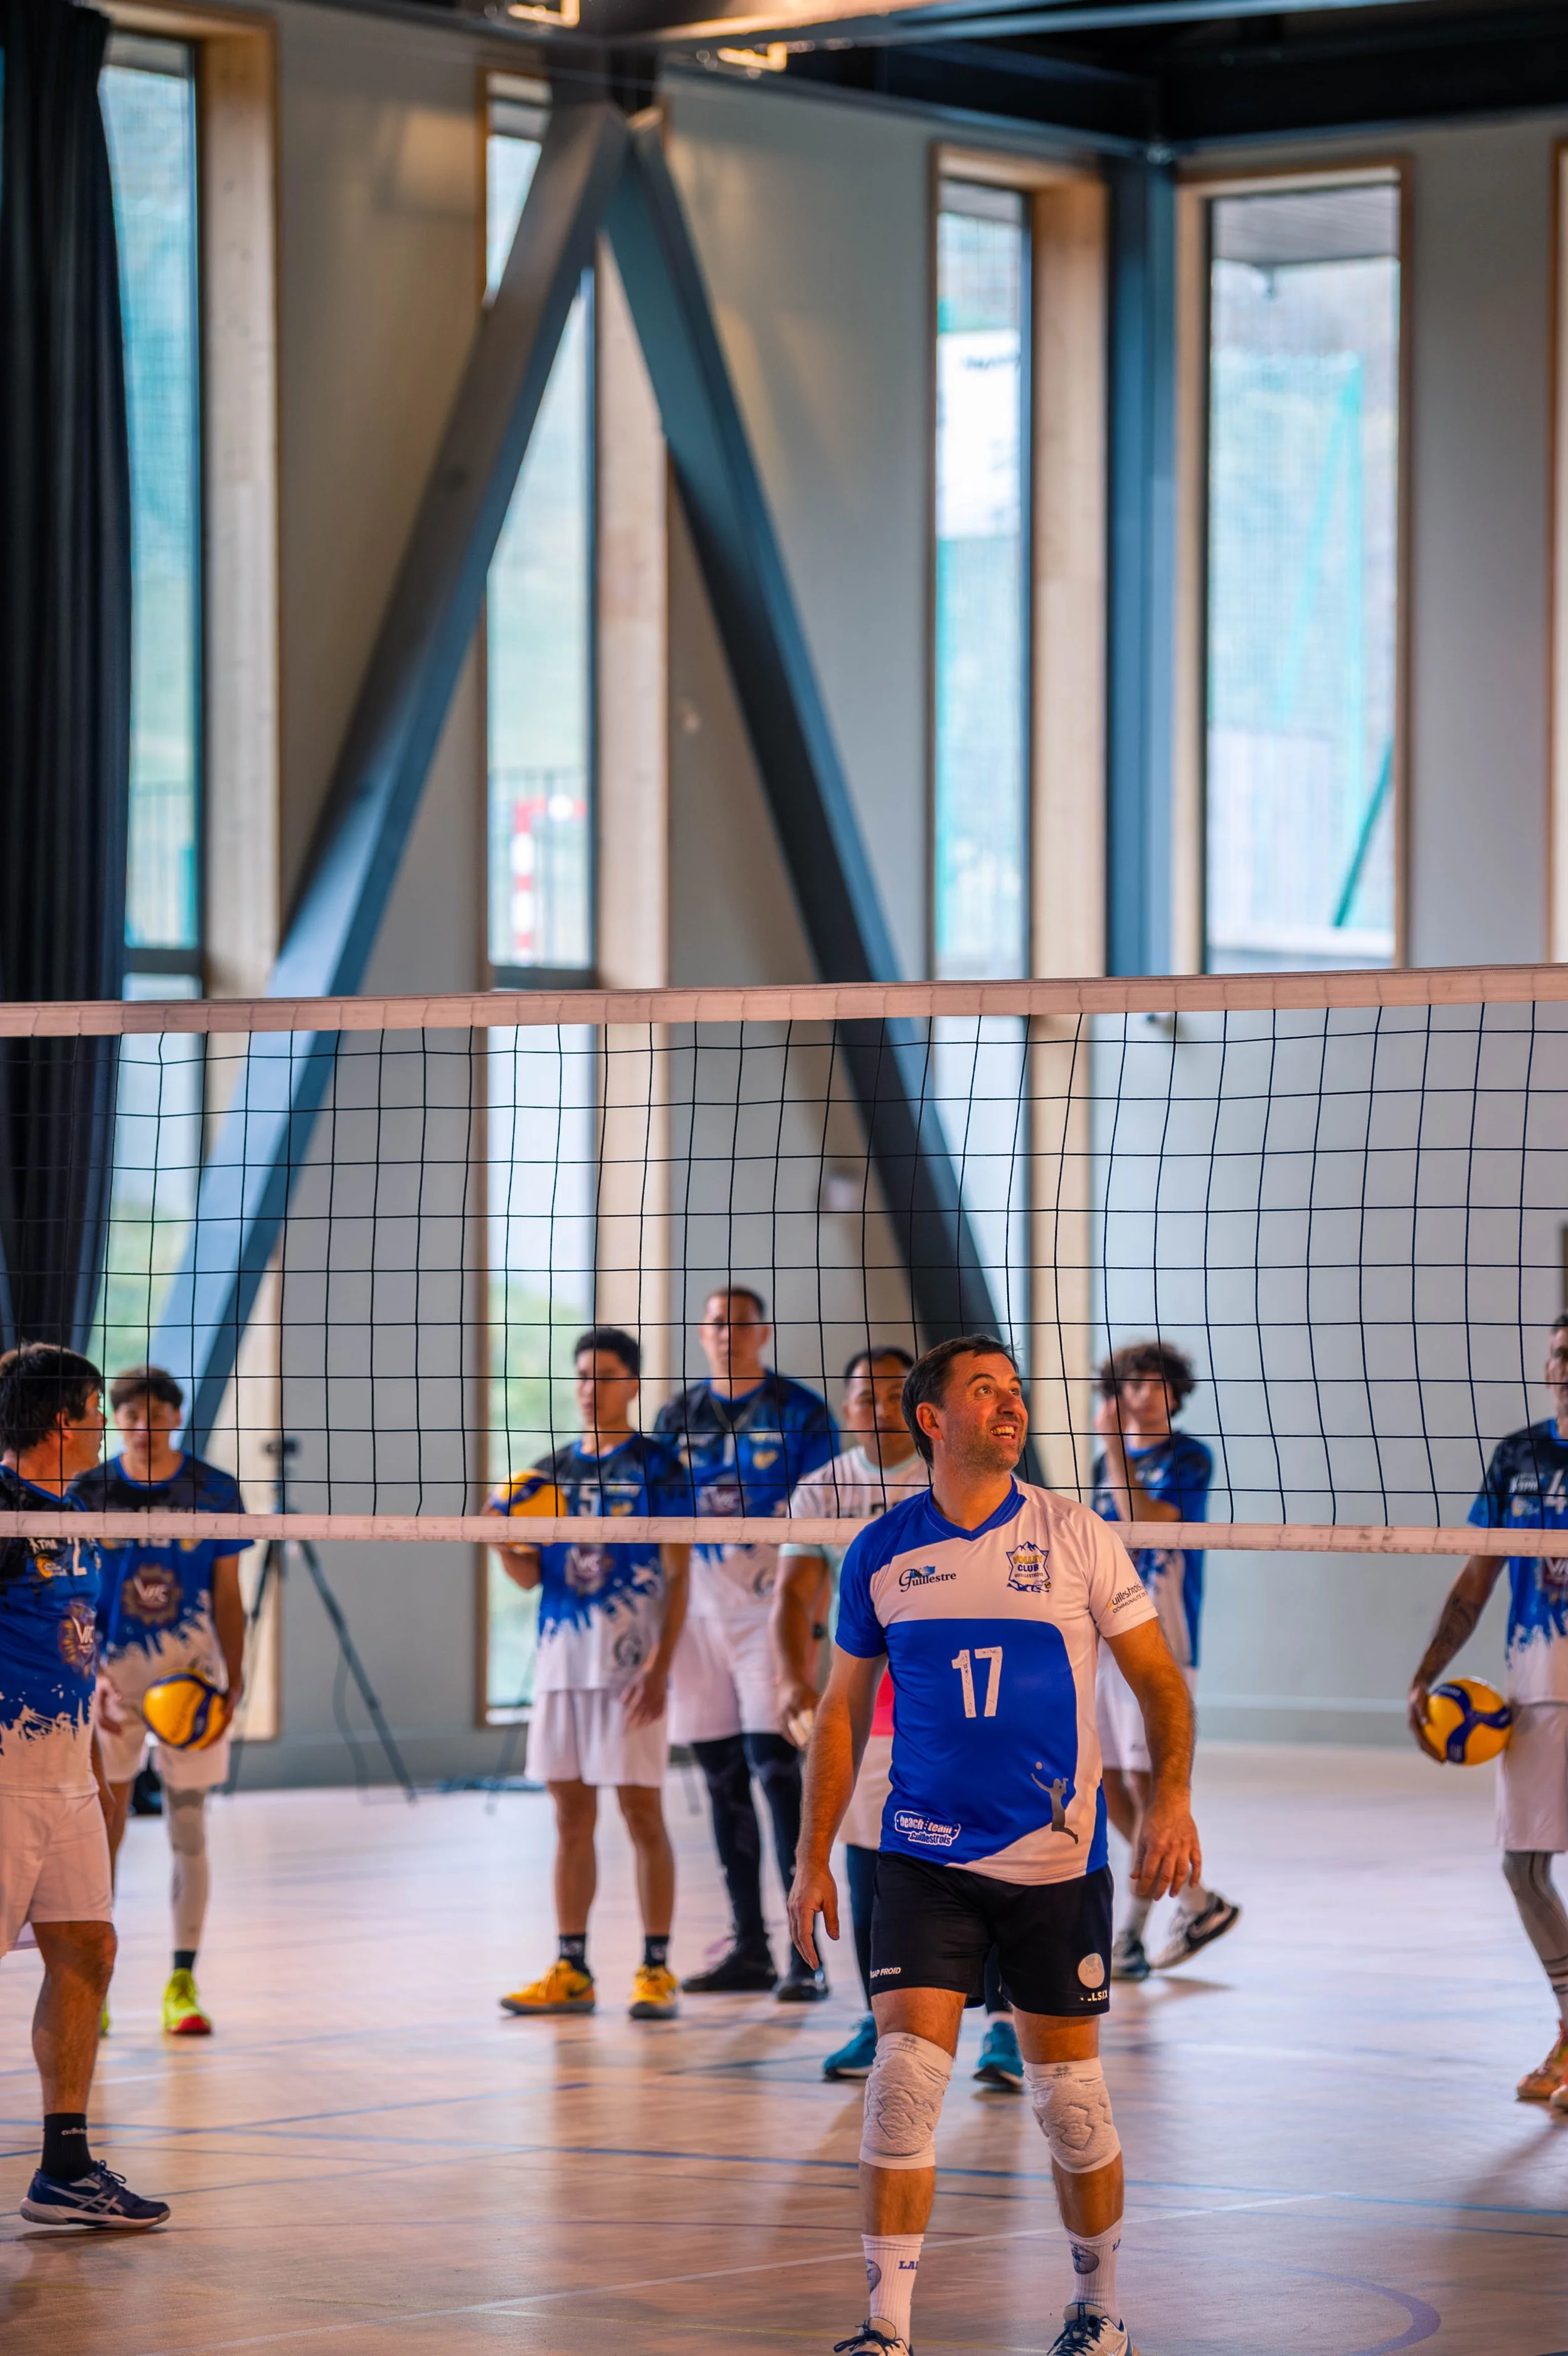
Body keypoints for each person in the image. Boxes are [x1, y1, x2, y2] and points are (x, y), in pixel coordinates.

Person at [790, 1335, 1199, 2356]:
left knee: (1073, 2105)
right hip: (922, 1856)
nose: (1010, 1406)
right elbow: (839, 1716)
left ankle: (1099, 2312)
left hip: (1056, 1865)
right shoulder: (880, 1552)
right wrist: (807, 1861)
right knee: (902, 2086)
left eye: (1015, 1392)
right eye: (986, 1391)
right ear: (933, 1419)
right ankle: (885, 2327)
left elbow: (1157, 1679)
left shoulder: (1077, 1535)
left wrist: (1174, 1800)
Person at [0, 1343, 168, 2228]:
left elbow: (71, 1641)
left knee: (88, 1952)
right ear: (64, 1419)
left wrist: (99, 1772)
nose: (108, 1422)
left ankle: (63, 2168)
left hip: (66, 1778)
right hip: (2, 1778)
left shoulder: (72, 1514)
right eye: (99, 1406)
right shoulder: (1, 1509)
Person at [487, 1327, 691, 2022]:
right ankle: (572, 1968)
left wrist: (663, 1667)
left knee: (642, 1815)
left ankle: (656, 1968)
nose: (588, 1387)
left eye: (604, 1375)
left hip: (632, 1668)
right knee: (570, 1816)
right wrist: (495, 1537)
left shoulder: (659, 1467)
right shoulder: (546, 1474)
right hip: (560, 1666)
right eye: (580, 1375)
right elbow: (524, 1575)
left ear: (632, 1384)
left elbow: (679, 1573)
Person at [656, 1284, 837, 2000]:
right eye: (714, 1324)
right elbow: (655, 1511)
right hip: (699, 1613)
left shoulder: (801, 1413)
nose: (726, 1334)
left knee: (777, 1774)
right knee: (721, 1779)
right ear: (701, 1335)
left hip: (770, 1611)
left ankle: (806, 1961)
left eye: (739, 1323)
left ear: (762, 1332)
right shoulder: (678, 1416)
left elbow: (822, 1526)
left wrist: (811, 1625)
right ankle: (751, 1949)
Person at [1408, 1313, 1568, 2107]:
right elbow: (1476, 1577)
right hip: (1534, 1690)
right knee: (1524, 1867)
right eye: (1560, 1354)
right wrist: (1425, 1674)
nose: (1566, 1366)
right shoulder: (1519, 1455)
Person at [772, 1347, 942, 2082]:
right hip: (867, 1704)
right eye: (860, 1395)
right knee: (871, 1866)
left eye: (887, 1395)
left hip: (952, 1704)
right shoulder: (822, 1489)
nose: (872, 1408)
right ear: (844, 1407)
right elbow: (792, 1593)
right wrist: (791, 1682)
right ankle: (878, 2020)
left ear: (914, 1408)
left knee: (985, 1864)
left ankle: (1001, 2023)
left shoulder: (953, 1478)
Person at [70, 1365, 248, 2037]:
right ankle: (97, 1981)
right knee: (100, 1832)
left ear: (176, 1416)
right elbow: (73, 1595)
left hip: (191, 1677)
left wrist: (236, 1678)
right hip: (112, 1677)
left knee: (189, 1826)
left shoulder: (214, 1490)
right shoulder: (88, 1490)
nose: (144, 1427)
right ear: (115, 1420)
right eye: (130, 1415)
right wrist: (90, 1676)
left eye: (156, 1414)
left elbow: (230, 1596)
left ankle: (183, 1982)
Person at [1091, 1339, 1240, 1981]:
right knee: (1106, 1782)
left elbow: (1145, 1517)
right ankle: (1197, 1902)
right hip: (1103, 1636)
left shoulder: (1188, 1456)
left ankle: (1129, 1933)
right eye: (1129, 1384)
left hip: (1162, 1635)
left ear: (1174, 1394)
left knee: (1153, 1789)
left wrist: (1116, 1451)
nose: (1141, 1395)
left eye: (1153, 1385)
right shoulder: (1105, 1461)